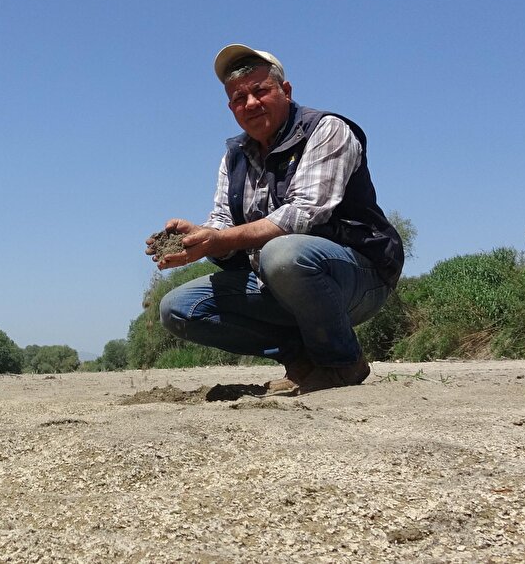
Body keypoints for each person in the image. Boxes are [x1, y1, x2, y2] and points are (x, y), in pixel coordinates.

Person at [146, 44, 404, 395]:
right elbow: (222, 222)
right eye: (239, 99)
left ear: (285, 91)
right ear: (230, 107)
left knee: (282, 254)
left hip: (355, 278)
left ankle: (342, 362)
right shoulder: (233, 157)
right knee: (177, 308)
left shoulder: (326, 130)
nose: (250, 104)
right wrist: (200, 239)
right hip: (275, 282)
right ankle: (301, 360)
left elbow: (302, 213)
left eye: (260, 91)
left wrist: (220, 240)